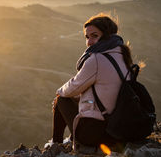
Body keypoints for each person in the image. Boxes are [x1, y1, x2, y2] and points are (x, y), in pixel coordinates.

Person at [45, 13, 133, 150]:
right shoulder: (122, 55)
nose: (89, 42)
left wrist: (59, 91)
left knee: (61, 99)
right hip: (118, 129)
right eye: (87, 37)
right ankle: (65, 141)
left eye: (95, 36)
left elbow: (72, 88)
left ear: (107, 35)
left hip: (98, 133)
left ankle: (56, 145)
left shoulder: (97, 59)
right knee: (73, 98)